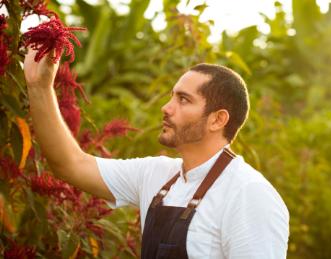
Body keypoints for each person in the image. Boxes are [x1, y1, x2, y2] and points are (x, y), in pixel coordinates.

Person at [24, 48, 289, 259]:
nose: (165, 107)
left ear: (217, 120)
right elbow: (70, 164)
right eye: (171, 96)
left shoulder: (249, 194)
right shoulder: (156, 174)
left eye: (183, 100)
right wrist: (39, 86)